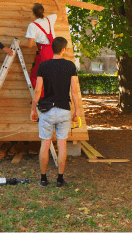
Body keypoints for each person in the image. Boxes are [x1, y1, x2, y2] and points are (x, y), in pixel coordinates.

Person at [30, 37, 80, 188]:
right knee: (62, 144)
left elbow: (38, 90)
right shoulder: (70, 65)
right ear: (63, 49)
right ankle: (59, 180)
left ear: (52, 48)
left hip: (47, 111)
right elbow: (74, 91)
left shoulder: (43, 66)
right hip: (64, 110)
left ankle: (43, 179)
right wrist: (77, 109)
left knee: (45, 144)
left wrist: (33, 109)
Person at [26, 2, 62, 95]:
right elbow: (59, 10)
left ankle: (42, 98)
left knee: (35, 76)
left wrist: (21, 44)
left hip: (44, 52)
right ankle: (51, 97)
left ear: (33, 13)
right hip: (55, 51)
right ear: (43, 11)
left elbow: (30, 45)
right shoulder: (50, 19)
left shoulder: (32, 25)